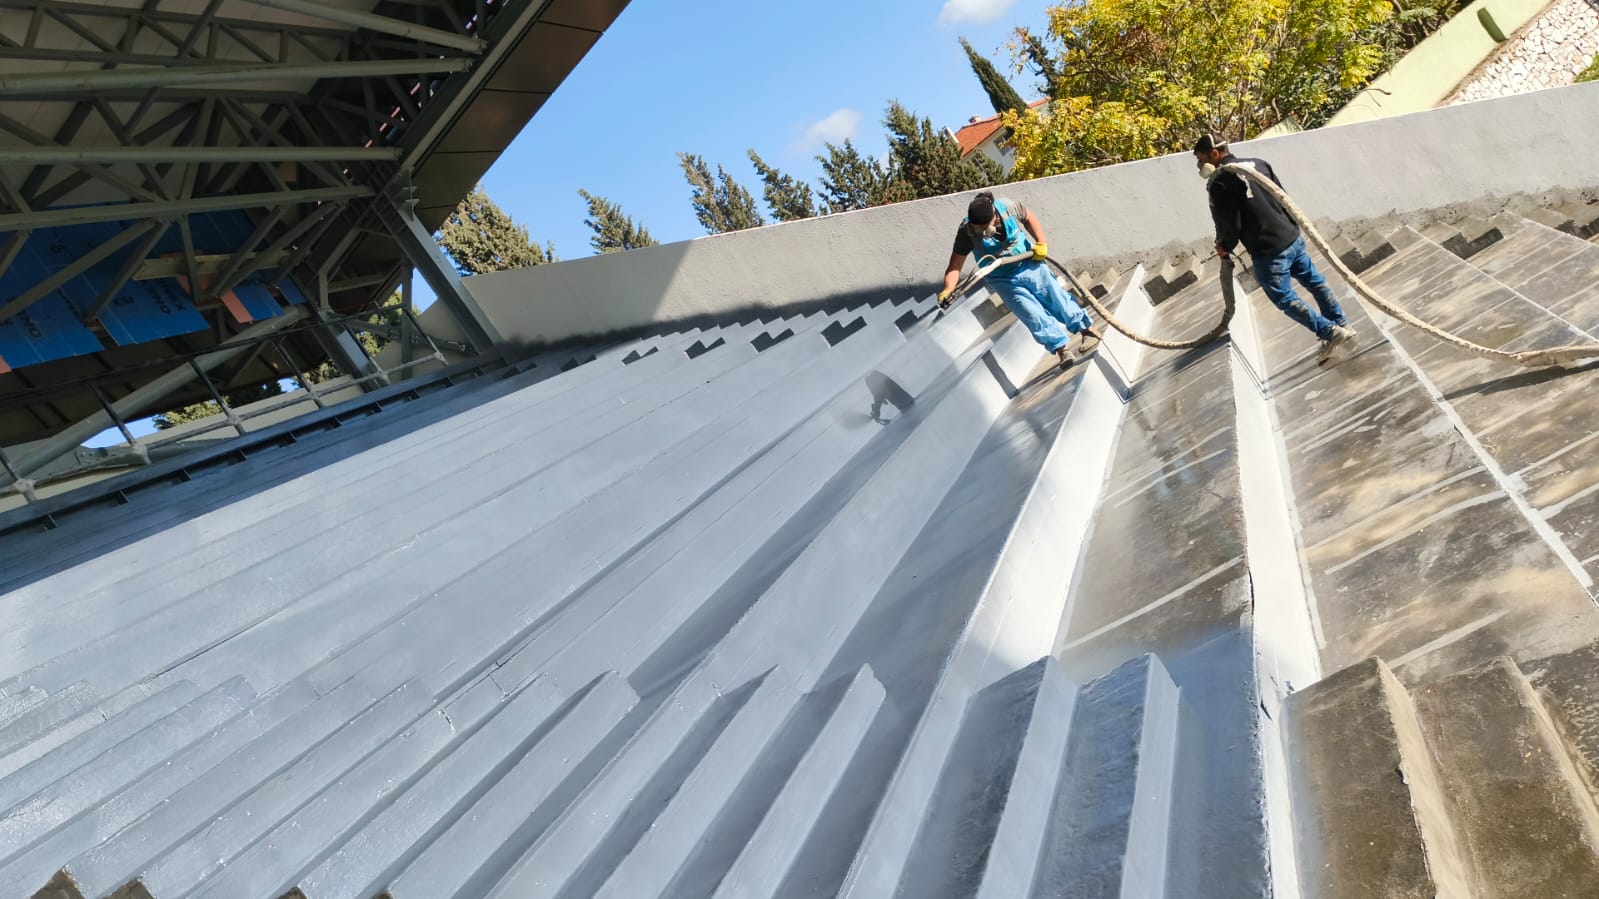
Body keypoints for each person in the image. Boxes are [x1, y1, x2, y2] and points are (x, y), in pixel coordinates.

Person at [1193, 133, 1357, 364]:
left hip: (1268, 251)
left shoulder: (1220, 183)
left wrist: (1224, 247)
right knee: (1315, 282)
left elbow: (1231, 224)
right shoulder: (1258, 163)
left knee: (1282, 296)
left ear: (1214, 154)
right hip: (1291, 237)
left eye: (1201, 159)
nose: (1199, 165)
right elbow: (1283, 197)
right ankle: (1342, 324)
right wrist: (1291, 228)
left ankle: (1329, 332)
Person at [937, 191, 1102, 369]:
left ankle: (1087, 331)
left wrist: (1041, 242)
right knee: (1031, 314)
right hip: (1003, 279)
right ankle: (1062, 350)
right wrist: (948, 289)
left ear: (994, 216)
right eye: (978, 227)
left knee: (1056, 298)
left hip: (1029, 262)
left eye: (985, 226)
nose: (982, 231)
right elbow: (955, 266)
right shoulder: (966, 232)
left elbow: (1029, 217)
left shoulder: (1007, 207)